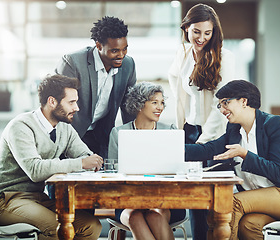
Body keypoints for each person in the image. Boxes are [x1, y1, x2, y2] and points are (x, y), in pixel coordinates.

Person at [185, 80, 280, 240]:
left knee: (231, 203)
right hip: (260, 200)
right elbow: (207, 149)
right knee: (249, 225)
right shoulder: (234, 131)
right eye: (219, 105)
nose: (222, 109)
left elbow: (277, 172)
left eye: (225, 102)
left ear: (243, 101)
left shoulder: (275, 124)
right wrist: (171, 149)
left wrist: (244, 154)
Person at [0, 74, 103, 240]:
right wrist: (82, 163)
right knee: (57, 229)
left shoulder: (64, 128)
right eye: (71, 102)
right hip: (6, 200)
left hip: (38, 198)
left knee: (91, 226)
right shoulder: (21, 126)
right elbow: (35, 170)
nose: (77, 108)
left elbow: (84, 154)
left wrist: (92, 160)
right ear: (52, 101)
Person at [168, 3, 235, 238]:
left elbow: (222, 106)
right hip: (189, 130)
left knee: (213, 198)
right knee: (193, 196)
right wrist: (183, 120)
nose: (202, 38)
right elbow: (175, 77)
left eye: (208, 33)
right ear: (186, 27)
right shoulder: (183, 52)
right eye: (196, 31)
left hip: (214, 135)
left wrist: (203, 141)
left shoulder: (225, 57)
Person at [108, 82, 186, 240]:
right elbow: (113, 172)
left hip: (165, 199)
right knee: (134, 216)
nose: (160, 107)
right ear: (138, 104)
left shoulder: (169, 131)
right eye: (154, 102)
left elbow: (178, 171)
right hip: (128, 200)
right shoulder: (118, 133)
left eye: (162, 103)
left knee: (155, 215)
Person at [55, 16, 136, 158]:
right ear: (98, 46)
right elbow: (58, 105)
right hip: (72, 131)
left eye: (125, 49)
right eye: (114, 51)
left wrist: (133, 140)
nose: (121, 55)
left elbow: (129, 107)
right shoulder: (73, 63)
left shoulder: (128, 65)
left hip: (101, 133)